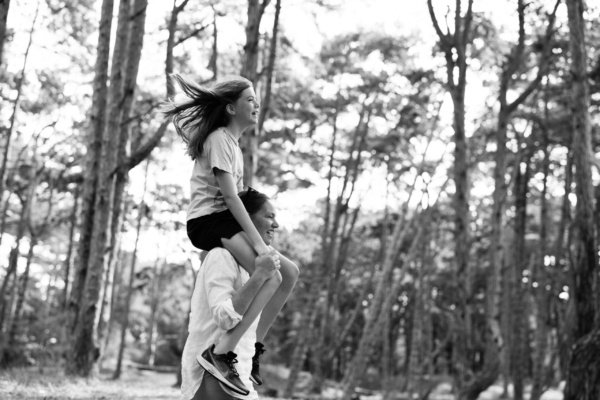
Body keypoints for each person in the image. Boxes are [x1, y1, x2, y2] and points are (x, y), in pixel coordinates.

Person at [163, 74, 299, 395]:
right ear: (229, 107)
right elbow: (230, 198)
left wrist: (263, 235)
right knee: (271, 276)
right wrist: (258, 244)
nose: (256, 105)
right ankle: (222, 353)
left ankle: (252, 352)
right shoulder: (220, 139)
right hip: (208, 221)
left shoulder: (233, 145)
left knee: (288, 274)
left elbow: (241, 195)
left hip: (223, 219)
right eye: (249, 100)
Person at [181, 189, 283, 400]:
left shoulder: (249, 266)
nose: (276, 225)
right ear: (244, 218)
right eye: (269, 216)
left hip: (235, 371)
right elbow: (224, 317)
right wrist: (260, 276)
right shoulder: (221, 256)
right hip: (212, 373)